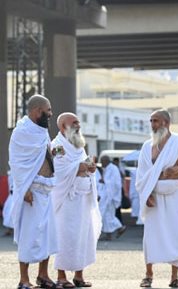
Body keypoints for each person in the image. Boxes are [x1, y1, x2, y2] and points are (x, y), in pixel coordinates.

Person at [135, 109, 178, 288]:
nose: (152, 125)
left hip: (174, 195)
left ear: (166, 123)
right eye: (151, 121)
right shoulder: (146, 146)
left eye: (156, 121)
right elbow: (142, 175)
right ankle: (148, 275)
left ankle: (174, 277)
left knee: (176, 234)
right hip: (154, 196)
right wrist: (147, 194)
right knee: (150, 237)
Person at [9, 95, 58, 289]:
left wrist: (53, 153)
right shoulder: (21, 131)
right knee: (30, 235)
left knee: (47, 234)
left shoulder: (41, 130)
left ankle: (43, 275)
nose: (51, 114)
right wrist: (25, 188)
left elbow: (40, 154)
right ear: (38, 111)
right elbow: (17, 163)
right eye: (48, 110)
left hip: (47, 188)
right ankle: (23, 279)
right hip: (32, 191)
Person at [50, 113, 102, 288]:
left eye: (78, 122)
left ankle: (79, 276)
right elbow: (57, 169)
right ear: (62, 126)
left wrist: (90, 168)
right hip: (66, 201)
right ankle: (61, 277)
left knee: (83, 237)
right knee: (65, 238)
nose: (78, 125)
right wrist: (80, 167)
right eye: (74, 123)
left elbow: (85, 164)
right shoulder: (56, 146)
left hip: (83, 199)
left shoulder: (79, 145)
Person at [98, 155, 126, 241]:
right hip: (106, 196)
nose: (101, 164)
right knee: (106, 216)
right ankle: (108, 235)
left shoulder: (113, 169)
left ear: (106, 161)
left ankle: (120, 227)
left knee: (109, 216)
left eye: (102, 162)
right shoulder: (107, 169)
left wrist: (104, 181)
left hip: (110, 196)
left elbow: (116, 183)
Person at [3, 172, 14, 236]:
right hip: (11, 195)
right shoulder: (10, 174)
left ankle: (15, 231)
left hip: (17, 195)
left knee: (13, 212)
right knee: (6, 211)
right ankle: (9, 229)